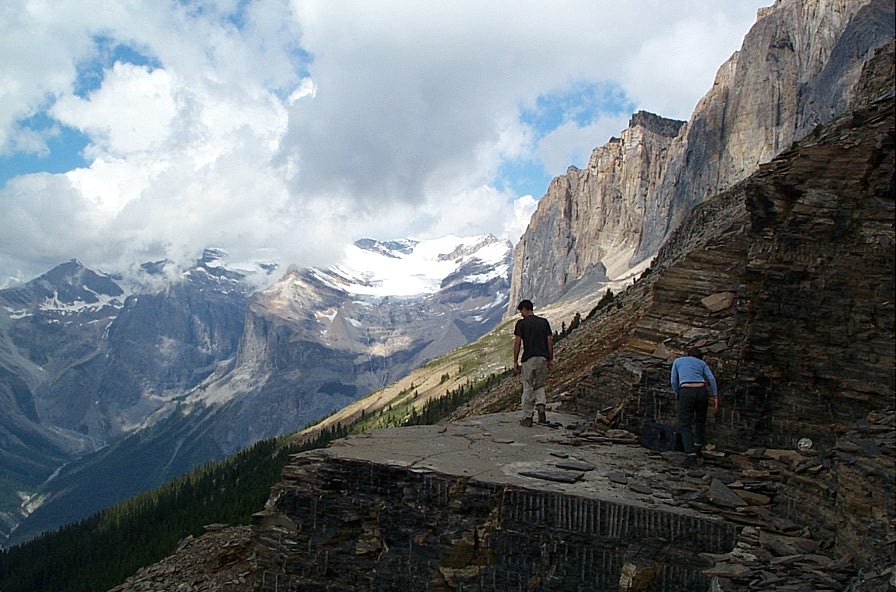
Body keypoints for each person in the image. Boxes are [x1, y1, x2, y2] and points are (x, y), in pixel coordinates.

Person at [671, 347, 719, 466]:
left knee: (685, 423)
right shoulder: (702, 363)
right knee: (700, 420)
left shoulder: (678, 361)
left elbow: (673, 381)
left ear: (688, 354)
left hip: (686, 390)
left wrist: (678, 393)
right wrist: (716, 396)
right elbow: (712, 379)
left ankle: (690, 455)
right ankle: (698, 450)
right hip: (701, 390)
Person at [513, 299, 554, 427]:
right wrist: (550, 358)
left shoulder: (521, 324)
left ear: (525, 309)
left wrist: (515, 360)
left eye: (521, 311)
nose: (521, 314)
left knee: (528, 386)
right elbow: (550, 341)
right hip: (543, 357)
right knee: (540, 385)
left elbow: (518, 342)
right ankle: (541, 407)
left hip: (528, 358)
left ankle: (527, 417)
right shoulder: (544, 322)